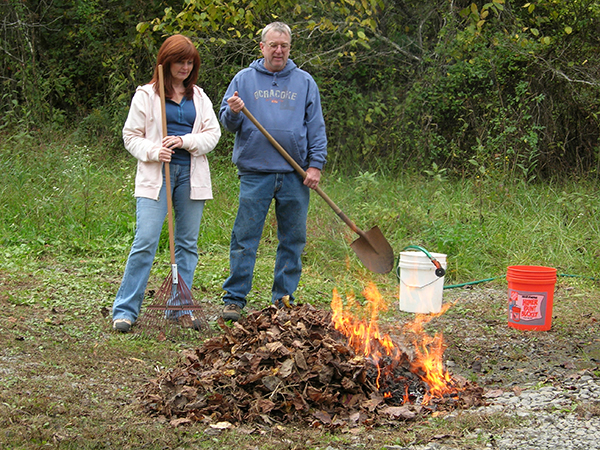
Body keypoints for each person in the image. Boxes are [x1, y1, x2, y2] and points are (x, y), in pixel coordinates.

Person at [112, 34, 221, 332]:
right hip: (156, 174)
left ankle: (179, 307)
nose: (185, 67)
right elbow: (130, 136)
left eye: (189, 62)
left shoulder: (198, 96)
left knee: (187, 244)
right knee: (146, 240)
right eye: (179, 61)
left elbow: (213, 134)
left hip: (191, 175)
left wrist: (184, 140)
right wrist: (153, 150)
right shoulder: (146, 95)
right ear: (166, 61)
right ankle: (125, 310)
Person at [219, 22, 327, 322]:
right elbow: (227, 123)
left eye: (285, 45)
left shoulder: (305, 82)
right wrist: (234, 111)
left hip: (295, 175)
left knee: (292, 239)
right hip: (256, 172)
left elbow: (316, 127)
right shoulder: (244, 79)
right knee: (245, 237)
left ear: (289, 48)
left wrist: (315, 165)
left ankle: (283, 300)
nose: (279, 50)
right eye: (273, 45)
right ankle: (234, 299)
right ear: (262, 47)